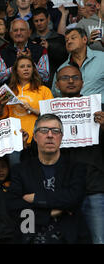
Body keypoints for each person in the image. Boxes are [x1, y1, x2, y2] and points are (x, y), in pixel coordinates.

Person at [6, 114, 90, 244]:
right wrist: (49, 213)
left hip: (68, 238)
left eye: (55, 131)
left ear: (61, 137)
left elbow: (74, 197)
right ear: (35, 136)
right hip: (30, 237)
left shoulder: (76, 168)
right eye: (44, 130)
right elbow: (14, 206)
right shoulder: (20, 170)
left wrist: (36, 198)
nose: (50, 135)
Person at [54, 64, 104, 244]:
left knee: (99, 239)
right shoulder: (49, 113)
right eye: (65, 78)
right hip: (63, 188)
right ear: (57, 84)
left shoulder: (99, 109)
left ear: (82, 83)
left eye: (75, 77)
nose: (70, 81)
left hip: (94, 186)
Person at [0, 55, 53, 165]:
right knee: (17, 176)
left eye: (29, 66)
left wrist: (32, 109)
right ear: (16, 71)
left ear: (33, 70)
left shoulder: (43, 90)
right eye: (22, 66)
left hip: (39, 140)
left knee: (39, 176)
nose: (26, 69)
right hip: (15, 140)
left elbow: (52, 116)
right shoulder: (9, 91)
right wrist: (1, 106)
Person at [51, 28, 104, 102]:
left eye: (73, 38)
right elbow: (55, 94)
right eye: (66, 40)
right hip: (73, 111)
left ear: (84, 39)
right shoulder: (62, 68)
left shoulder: (102, 58)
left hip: (100, 109)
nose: (69, 41)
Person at [0, 19, 50, 85]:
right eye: (15, 30)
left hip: (35, 91)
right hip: (12, 92)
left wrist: (30, 62)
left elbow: (46, 77)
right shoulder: (3, 52)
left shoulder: (40, 50)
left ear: (29, 33)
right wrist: (15, 66)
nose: (18, 33)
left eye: (22, 30)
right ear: (11, 34)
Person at [30, 7, 68, 86]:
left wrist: (49, 47)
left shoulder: (59, 38)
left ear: (48, 19)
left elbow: (65, 57)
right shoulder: (29, 40)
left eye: (41, 20)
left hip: (56, 80)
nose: (39, 23)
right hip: (35, 81)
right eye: (36, 21)